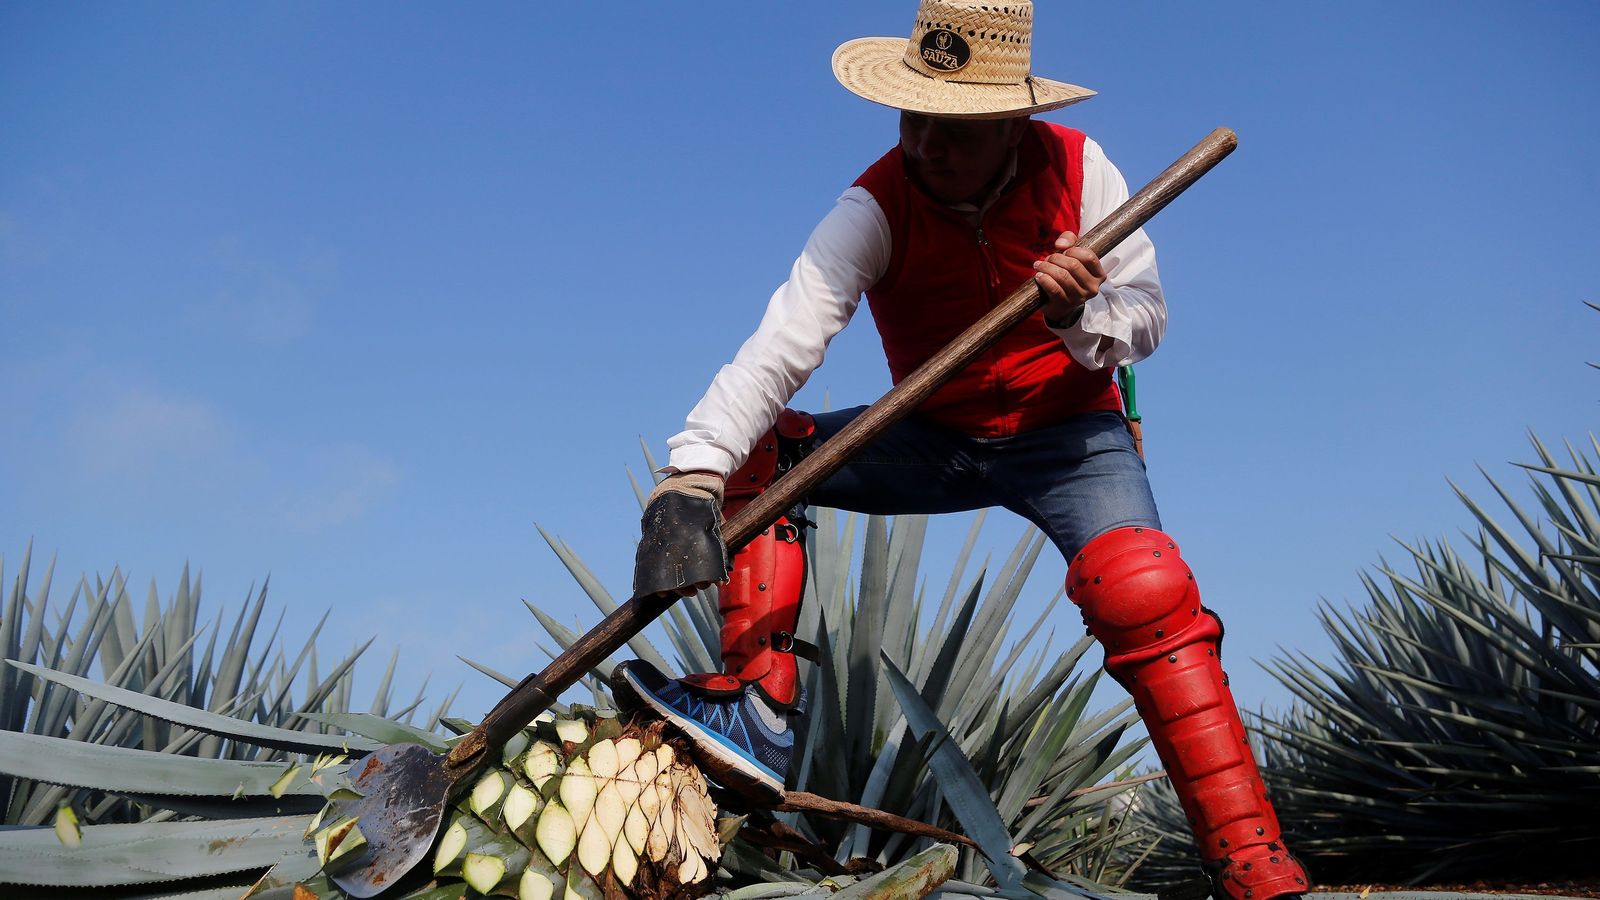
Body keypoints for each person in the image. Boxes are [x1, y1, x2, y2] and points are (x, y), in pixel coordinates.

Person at [611, 3, 1308, 899]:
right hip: (932, 437)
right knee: (759, 461)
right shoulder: (874, 204)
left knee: (1144, 587)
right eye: (913, 120)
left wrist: (1073, 314)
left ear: (1015, 123)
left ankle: (1251, 861)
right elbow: (780, 346)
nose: (927, 147)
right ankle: (759, 712)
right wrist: (693, 471)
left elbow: (1146, 318)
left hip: (1071, 439)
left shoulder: (1083, 169)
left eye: (955, 130)